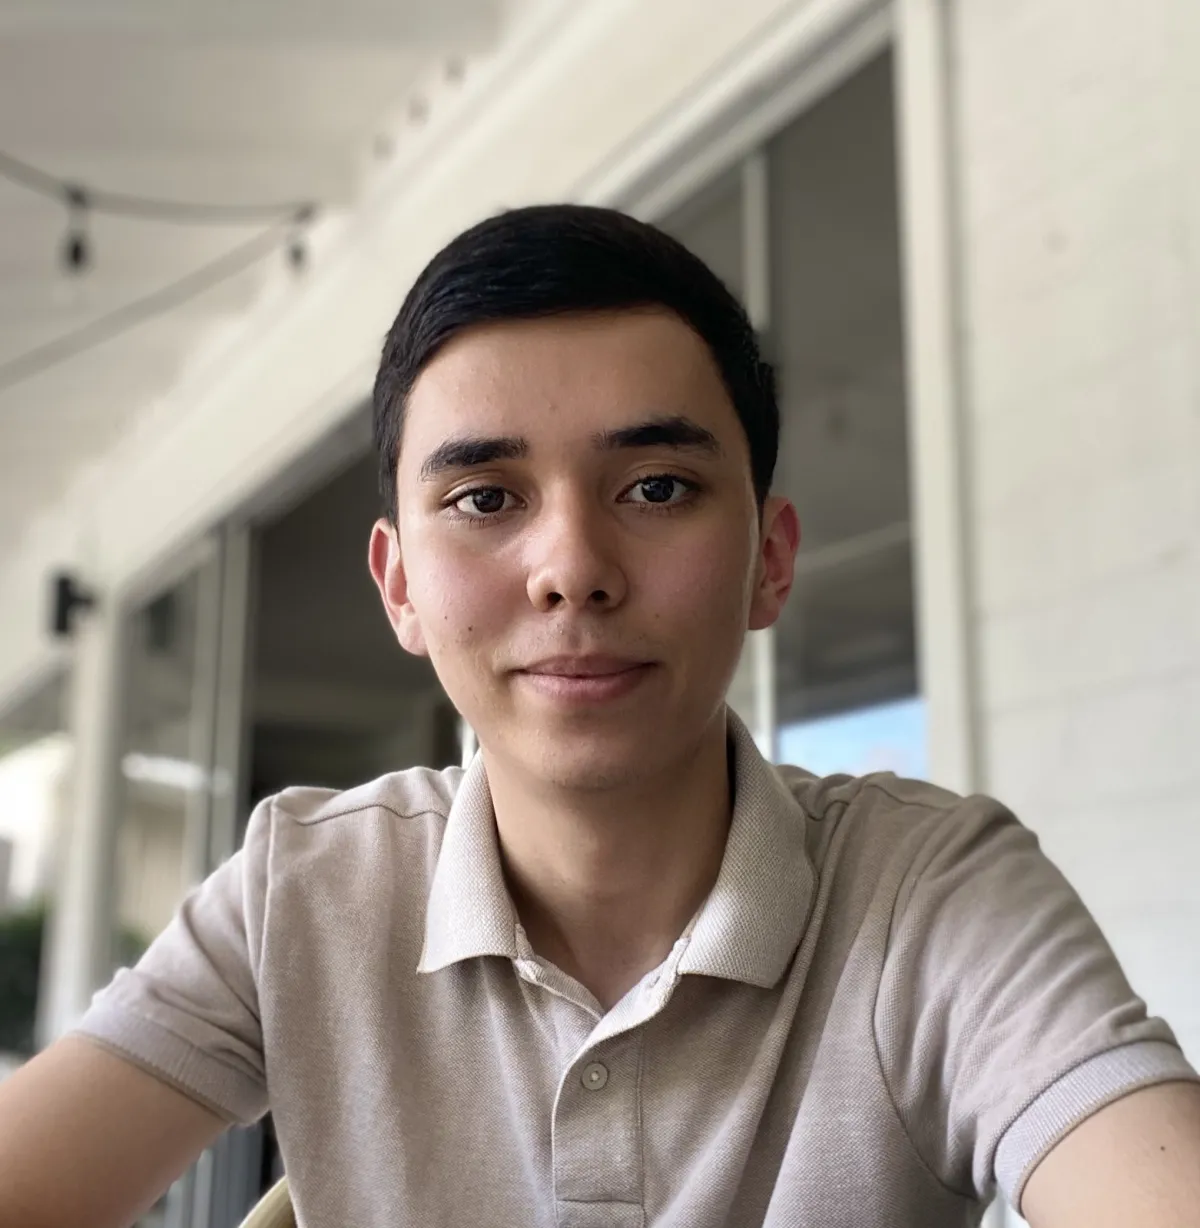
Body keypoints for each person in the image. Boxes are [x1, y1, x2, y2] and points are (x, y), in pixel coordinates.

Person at [1, 205, 1198, 1228]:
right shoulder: (304, 890)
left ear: (771, 559)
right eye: (485, 498)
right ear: (400, 584)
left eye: (658, 486)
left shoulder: (930, 895)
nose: (572, 568)